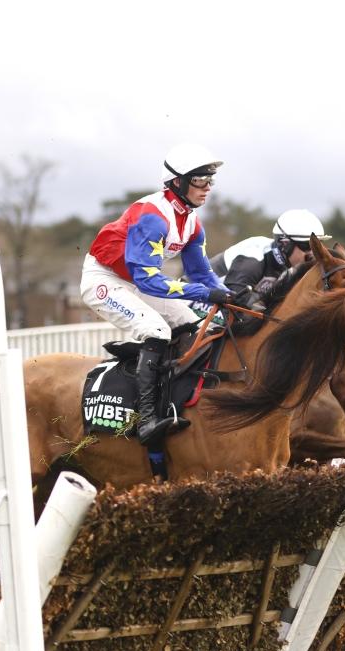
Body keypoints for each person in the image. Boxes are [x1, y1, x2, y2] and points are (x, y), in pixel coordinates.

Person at [80, 142, 236, 444]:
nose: (207, 188)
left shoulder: (192, 222)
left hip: (137, 281)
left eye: (210, 181)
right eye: (200, 180)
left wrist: (230, 297)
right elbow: (149, 280)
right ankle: (146, 420)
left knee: (192, 325)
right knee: (157, 330)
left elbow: (202, 273)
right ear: (177, 182)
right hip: (105, 280)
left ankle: (175, 398)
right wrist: (204, 293)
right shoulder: (152, 217)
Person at [209, 208, 330, 306]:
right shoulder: (253, 260)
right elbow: (233, 304)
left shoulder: (287, 267)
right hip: (204, 302)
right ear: (285, 244)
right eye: (308, 246)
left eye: (317, 246)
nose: (313, 254)